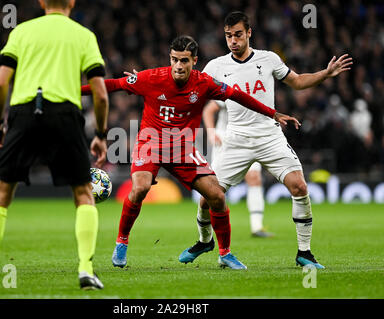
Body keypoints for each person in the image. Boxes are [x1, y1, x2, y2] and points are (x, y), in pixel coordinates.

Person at [81, 35, 300, 270]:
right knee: (140, 188)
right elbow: (112, 85)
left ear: (194, 61)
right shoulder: (151, 77)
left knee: (216, 195)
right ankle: (121, 242)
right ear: (170, 59)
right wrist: (70, 92)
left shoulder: (204, 83)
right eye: (174, 59)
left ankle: (224, 253)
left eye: (184, 60)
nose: (178, 65)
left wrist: (271, 112)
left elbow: (237, 95)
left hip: (182, 147)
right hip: (151, 142)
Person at [179, 11, 352, 269]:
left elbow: (297, 82)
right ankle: (205, 241)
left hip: (269, 136)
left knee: (300, 187)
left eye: (238, 34)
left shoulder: (269, 59)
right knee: (207, 198)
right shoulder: (215, 66)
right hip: (235, 139)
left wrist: (325, 74)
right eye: (228, 36)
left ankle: (304, 252)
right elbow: (188, 87)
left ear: (249, 33)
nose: (233, 41)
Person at [0, 0, 109, 290]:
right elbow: (101, 95)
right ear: (72, 2)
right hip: (64, 114)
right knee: (83, 193)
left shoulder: (21, 32)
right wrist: (101, 134)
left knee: (1, 193)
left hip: (24, 114)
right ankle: (86, 271)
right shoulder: (83, 35)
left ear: (41, 2)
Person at [204, 100, 273, 237]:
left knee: (254, 178)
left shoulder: (259, 90)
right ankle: (205, 227)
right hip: (225, 139)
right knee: (214, 187)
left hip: (248, 140)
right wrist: (211, 133)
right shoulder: (231, 86)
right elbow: (208, 110)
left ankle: (257, 227)